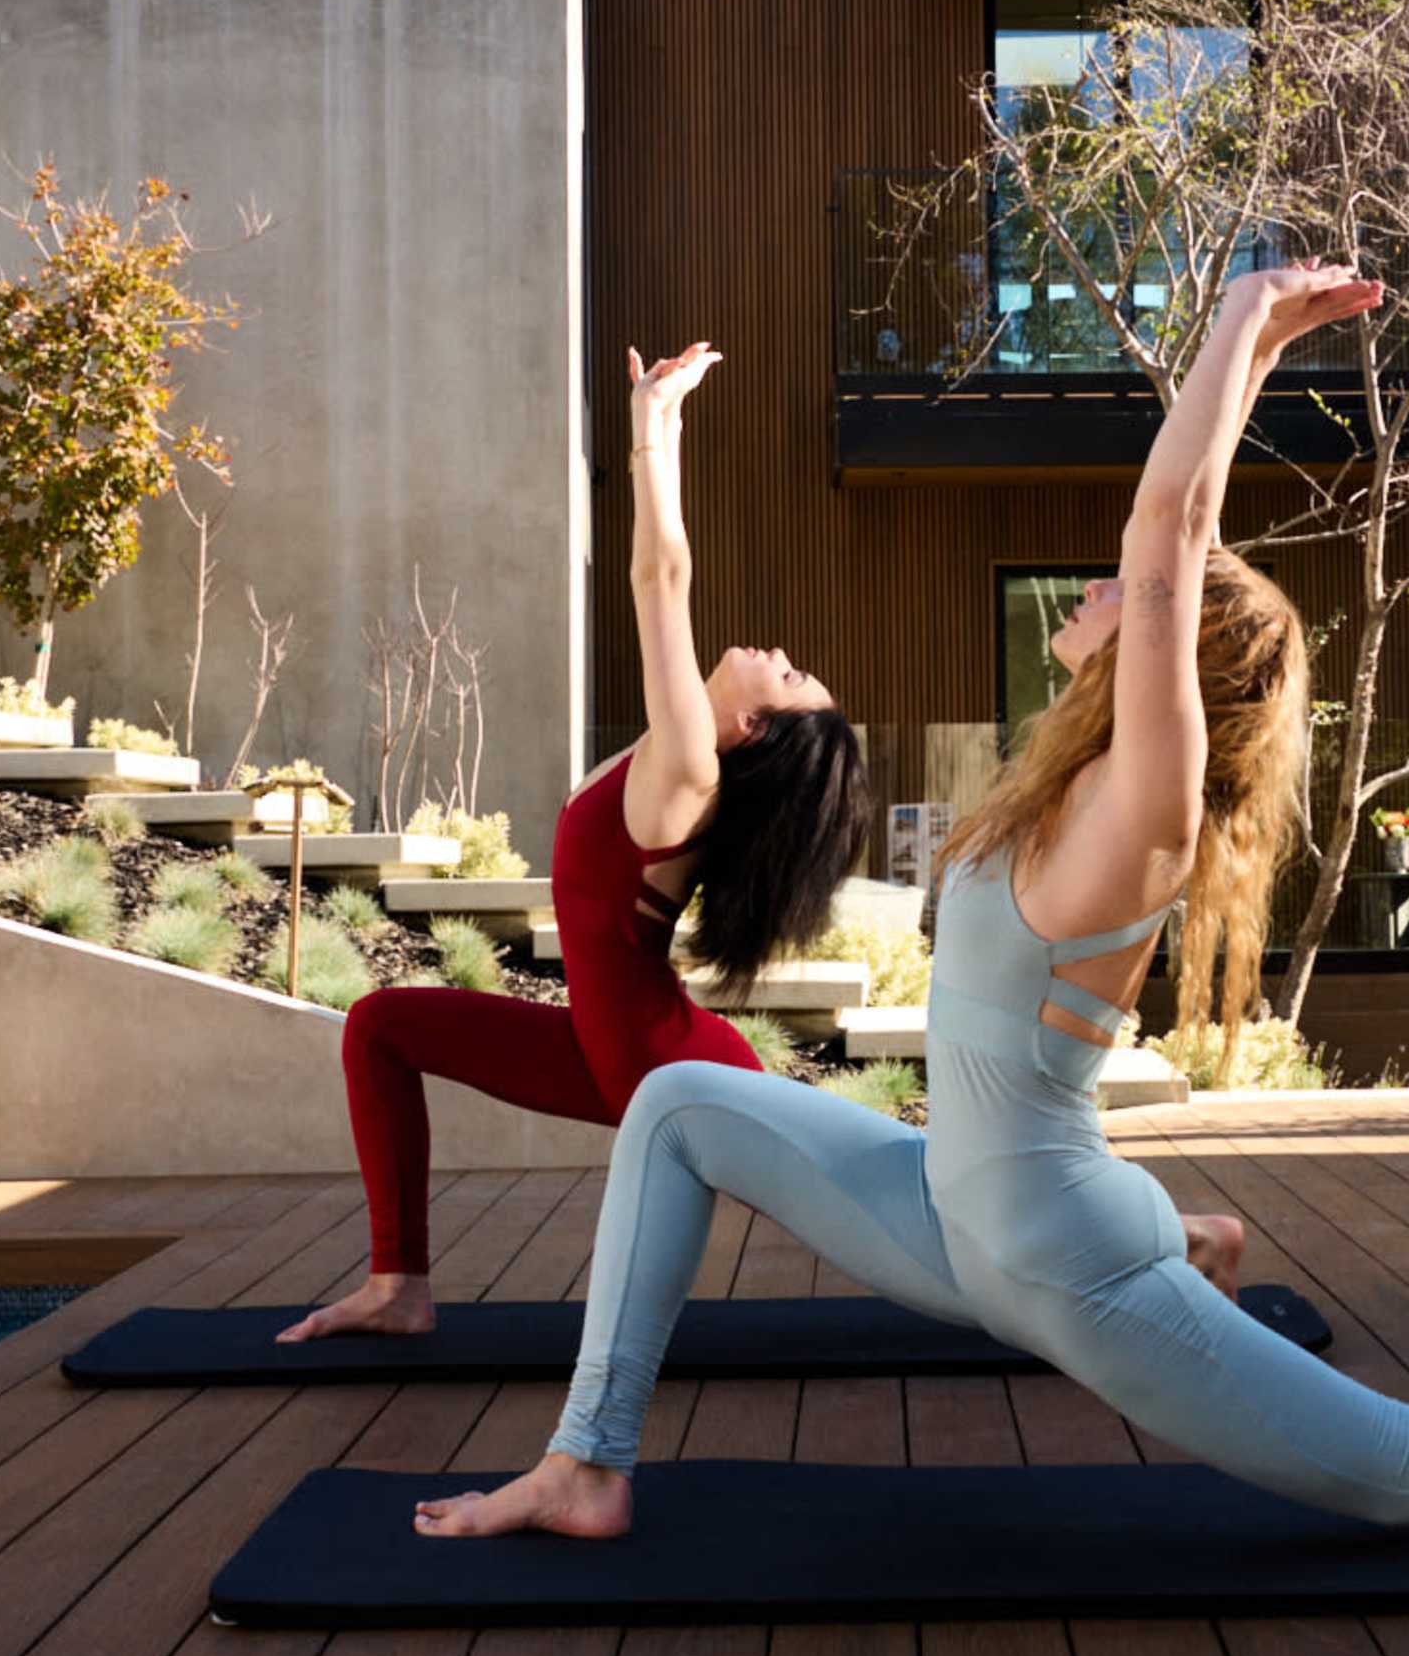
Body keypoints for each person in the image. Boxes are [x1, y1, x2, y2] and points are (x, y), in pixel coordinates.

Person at [416, 266, 1409, 1540]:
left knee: (1402, 1470)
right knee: (678, 1100)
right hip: (954, 1210)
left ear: (1174, 659)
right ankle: (589, 1462)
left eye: (1127, 598)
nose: (1098, 591)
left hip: (1051, 1256)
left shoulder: (1144, 810)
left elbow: (1168, 540)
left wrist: (1240, 323)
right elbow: (1168, 551)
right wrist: (1249, 352)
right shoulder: (1065, 785)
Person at [282, 340, 1242, 1337]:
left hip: (670, 1069)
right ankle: (399, 1283)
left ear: (749, 729)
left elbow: (660, 577)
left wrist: (653, 427)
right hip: (606, 1048)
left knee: (938, 1244)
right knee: (379, 1025)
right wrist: (661, 421)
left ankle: (1179, 1240)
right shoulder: (677, 759)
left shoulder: (686, 774)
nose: (777, 652)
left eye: (787, 678)